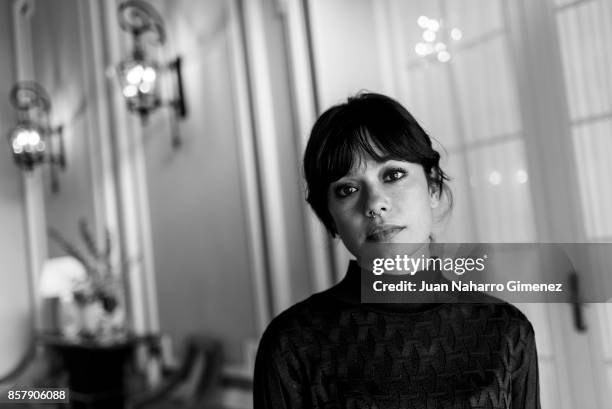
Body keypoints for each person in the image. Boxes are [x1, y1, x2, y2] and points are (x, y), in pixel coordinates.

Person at [253, 93, 540, 408]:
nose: (375, 204)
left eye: (393, 175)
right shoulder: (291, 344)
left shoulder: (506, 332)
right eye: (348, 189)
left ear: (432, 187)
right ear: (330, 216)